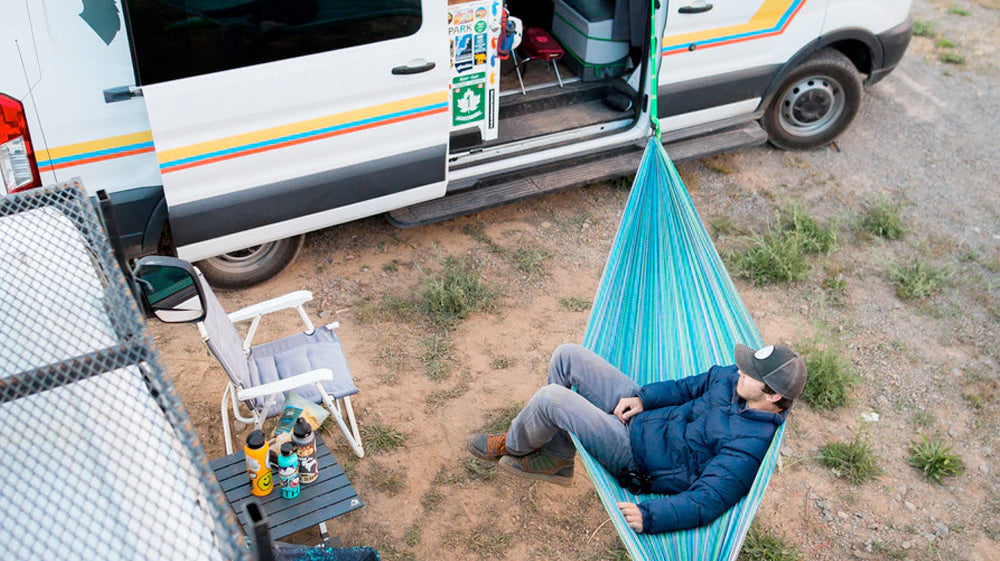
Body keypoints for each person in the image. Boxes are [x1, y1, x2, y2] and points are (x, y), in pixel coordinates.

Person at [466, 342, 807, 534]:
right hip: (644, 415)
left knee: (551, 399)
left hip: (634, 454)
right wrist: (644, 398)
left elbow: (709, 499)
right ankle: (556, 458)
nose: (741, 370)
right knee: (566, 355)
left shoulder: (748, 447)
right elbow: (688, 386)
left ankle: (513, 444)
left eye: (751, 373)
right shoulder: (734, 380)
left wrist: (652, 516)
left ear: (774, 396)